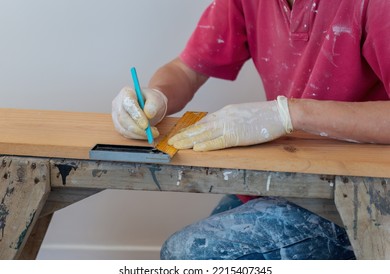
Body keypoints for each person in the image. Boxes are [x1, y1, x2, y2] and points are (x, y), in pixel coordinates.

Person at [112, 0, 390, 259]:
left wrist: (289, 113)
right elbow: (187, 71)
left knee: (188, 256)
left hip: (363, 195)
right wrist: (156, 97)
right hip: (288, 175)